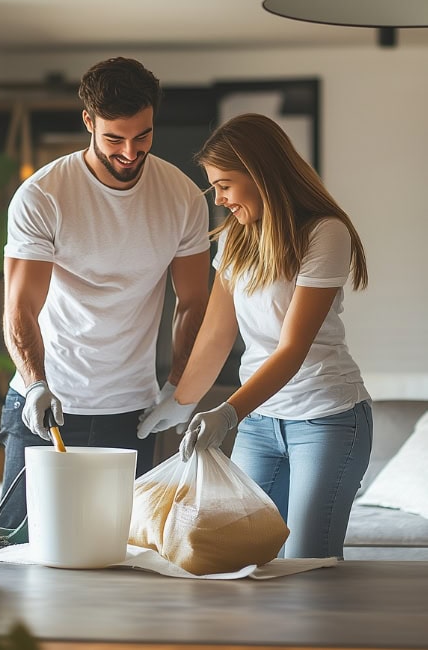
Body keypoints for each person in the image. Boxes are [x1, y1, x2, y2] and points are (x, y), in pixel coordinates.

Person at [137, 112, 373, 559]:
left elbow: (292, 348)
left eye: (225, 184)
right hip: (261, 424)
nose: (220, 199)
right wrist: (179, 399)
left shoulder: (325, 234)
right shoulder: (235, 238)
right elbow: (216, 334)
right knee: (241, 557)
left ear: (261, 173)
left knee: (306, 564)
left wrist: (227, 412)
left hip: (326, 418)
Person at [0, 56, 210, 529]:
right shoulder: (44, 195)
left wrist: (178, 387)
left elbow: (194, 303)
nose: (130, 153)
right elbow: (21, 307)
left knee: (118, 549)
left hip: (131, 409)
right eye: (114, 138)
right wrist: (34, 383)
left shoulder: (183, 198)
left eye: (143, 136)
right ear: (88, 122)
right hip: (48, 404)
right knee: (21, 548)